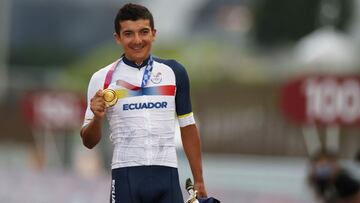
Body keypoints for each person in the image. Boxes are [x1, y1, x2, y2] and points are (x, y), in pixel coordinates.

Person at [80, 3, 207, 203]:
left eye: (144, 32)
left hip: (167, 176)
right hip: (126, 176)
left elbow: (188, 127)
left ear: (154, 34)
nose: (137, 40)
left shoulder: (174, 72)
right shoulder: (102, 79)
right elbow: (88, 142)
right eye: (129, 34)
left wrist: (198, 179)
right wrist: (97, 118)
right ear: (118, 38)